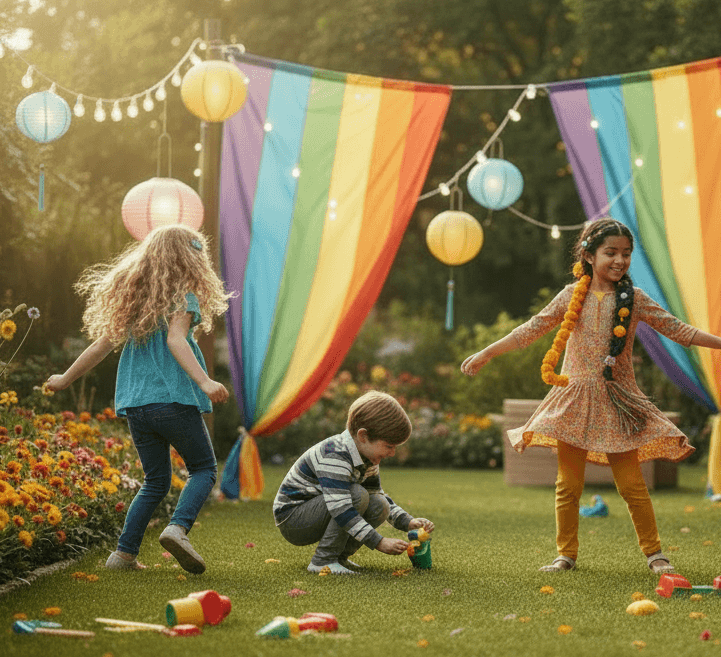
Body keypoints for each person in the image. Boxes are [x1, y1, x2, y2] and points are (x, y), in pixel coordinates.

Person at [461, 218, 721, 574]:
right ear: (588, 254)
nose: (619, 260)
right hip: (574, 400)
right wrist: (487, 353)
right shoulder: (571, 296)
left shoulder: (633, 299)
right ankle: (565, 555)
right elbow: (531, 329)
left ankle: (655, 554)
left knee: (632, 485)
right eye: (611, 253)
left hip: (618, 403)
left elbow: (675, 327)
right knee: (567, 486)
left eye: (626, 254)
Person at [44, 224, 229, 574]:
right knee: (203, 468)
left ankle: (123, 556)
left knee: (155, 481)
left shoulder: (135, 302)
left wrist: (65, 378)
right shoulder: (183, 297)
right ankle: (177, 529)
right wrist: (204, 381)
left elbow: (101, 345)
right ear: (190, 259)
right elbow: (176, 340)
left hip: (138, 407)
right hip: (173, 401)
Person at [273, 390, 435, 574]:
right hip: (293, 519)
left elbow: (377, 494)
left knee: (379, 504)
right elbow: (340, 507)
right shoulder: (334, 454)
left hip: (323, 508)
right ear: (363, 436)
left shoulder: (367, 457)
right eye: (389, 446)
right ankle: (323, 561)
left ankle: (339, 558)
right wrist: (378, 542)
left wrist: (408, 522)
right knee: (357, 495)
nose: (392, 453)